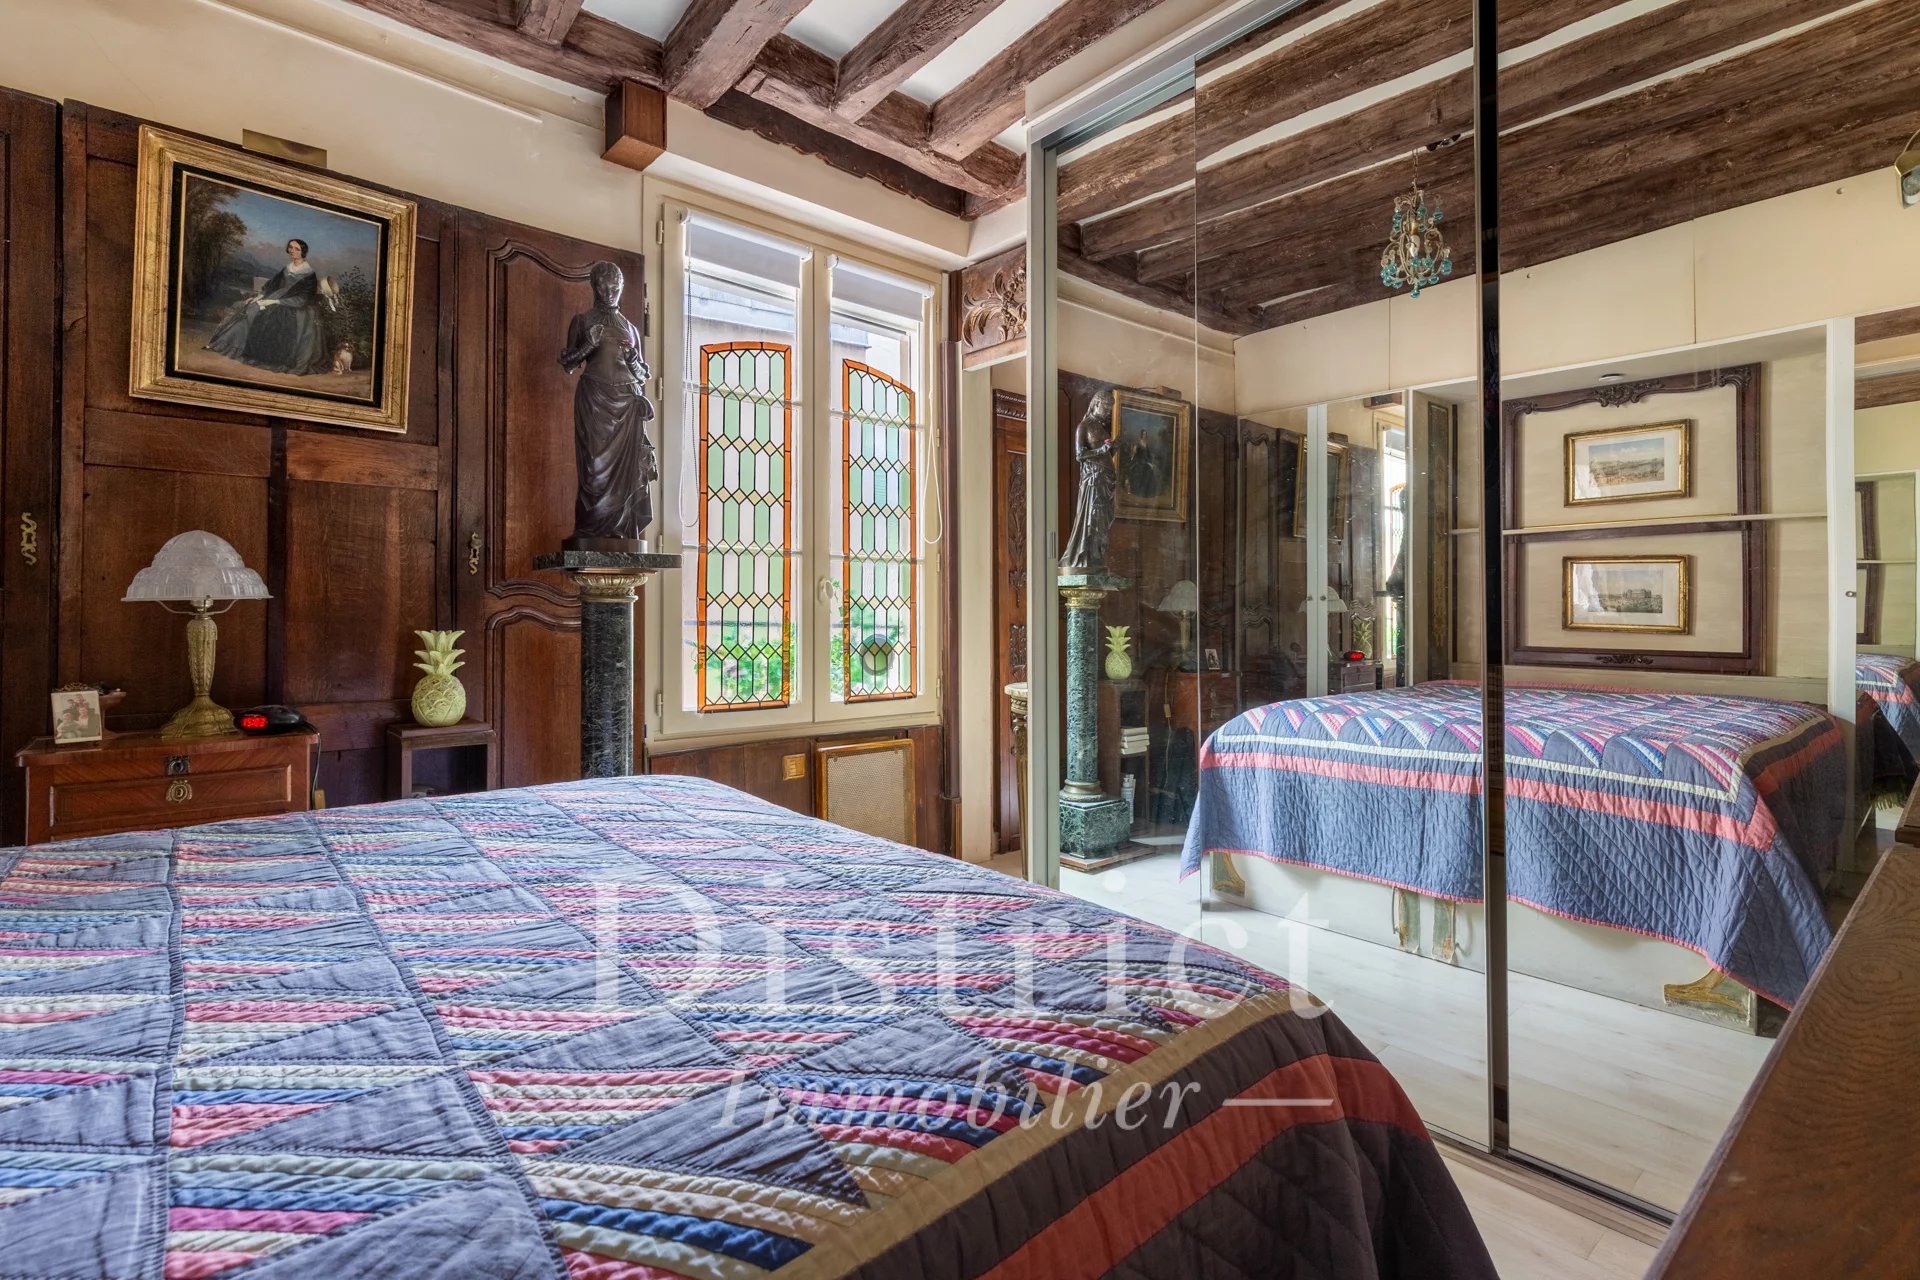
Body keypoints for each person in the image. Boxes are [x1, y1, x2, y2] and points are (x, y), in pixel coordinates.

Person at [559, 261, 656, 548]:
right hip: (595, 401)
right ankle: (592, 530)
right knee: (594, 468)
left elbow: (643, 374)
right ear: (594, 287)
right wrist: (587, 345)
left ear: (622, 288)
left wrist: (634, 361)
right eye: (604, 287)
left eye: (615, 288)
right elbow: (568, 364)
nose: (610, 293)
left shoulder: (631, 328)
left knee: (628, 472)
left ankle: (622, 531)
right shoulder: (582, 321)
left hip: (627, 402)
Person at [206, 238, 328, 375]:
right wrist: (259, 297)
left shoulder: (309, 274)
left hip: (292, 304)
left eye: (296, 249)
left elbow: (303, 299)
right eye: (290, 247)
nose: (292, 251)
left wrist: (275, 302)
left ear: (303, 252)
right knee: (250, 309)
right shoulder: (287, 268)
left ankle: (264, 356)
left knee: (273, 319)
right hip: (276, 296)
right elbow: (272, 285)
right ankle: (228, 345)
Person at [1059, 398, 1117, 572]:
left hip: (1105, 481)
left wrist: (1114, 448)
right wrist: (1102, 450)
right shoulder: (1084, 426)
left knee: (1101, 523)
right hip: (1093, 481)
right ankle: (1083, 557)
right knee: (1091, 518)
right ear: (1096, 404)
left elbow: (1106, 455)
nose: (1108, 411)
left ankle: (1095, 558)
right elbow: (1080, 455)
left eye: (1110, 408)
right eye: (1106, 407)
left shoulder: (1101, 427)